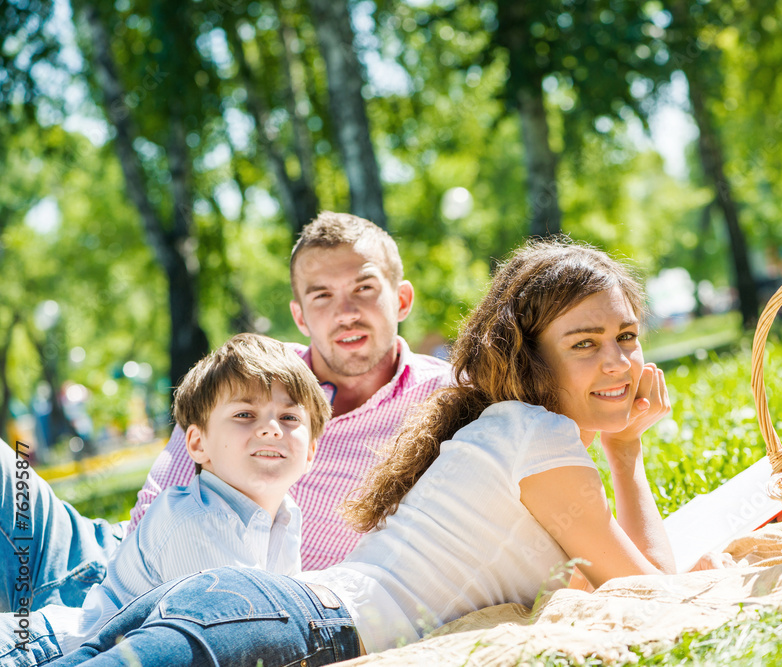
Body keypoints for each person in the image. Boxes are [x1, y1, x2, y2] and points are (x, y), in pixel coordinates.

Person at [52, 238, 677, 666]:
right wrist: (625, 453)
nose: (618, 362)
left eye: (625, 336)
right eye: (585, 343)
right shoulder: (533, 434)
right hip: (286, 624)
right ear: (531, 354)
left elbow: (631, 582)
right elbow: (652, 595)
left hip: (257, 612)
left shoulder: (509, 430)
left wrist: (624, 450)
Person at [0, 212, 451, 622]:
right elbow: (161, 499)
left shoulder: (449, 400)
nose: (345, 312)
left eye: (364, 288)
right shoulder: (249, 378)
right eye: (321, 295)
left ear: (402, 298)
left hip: (215, 602)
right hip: (124, 568)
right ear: (299, 315)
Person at [2, 333, 330, 665]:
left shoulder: (284, 515)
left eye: (290, 418)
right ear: (198, 444)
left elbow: (286, 621)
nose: (271, 428)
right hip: (41, 652)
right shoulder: (196, 521)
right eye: (245, 414)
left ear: (311, 452)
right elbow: (244, 640)